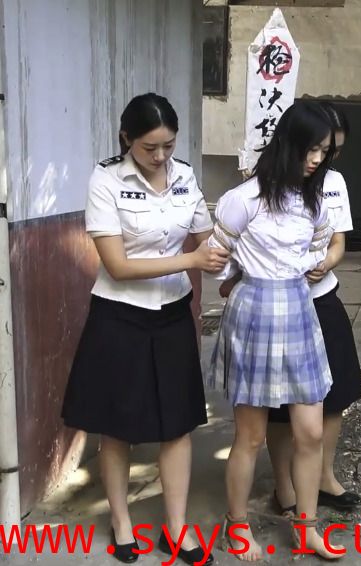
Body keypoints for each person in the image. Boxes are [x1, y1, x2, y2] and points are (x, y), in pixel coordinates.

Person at [62, 93, 228, 565]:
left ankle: (175, 530)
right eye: (149, 147)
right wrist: (192, 260)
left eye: (168, 146)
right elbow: (117, 266)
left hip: (172, 314)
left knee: (178, 425)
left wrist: (227, 250)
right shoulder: (106, 180)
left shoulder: (185, 176)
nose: (160, 156)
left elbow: (207, 238)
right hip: (119, 317)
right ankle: (121, 523)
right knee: (118, 427)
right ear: (126, 139)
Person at [208, 100, 344, 561]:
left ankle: (306, 528)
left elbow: (323, 243)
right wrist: (234, 275)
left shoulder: (312, 199)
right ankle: (237, 525)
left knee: (310, 432)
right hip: (254, 314)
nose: (317, 160)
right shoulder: (243, 199)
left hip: (299, 311)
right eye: (310, 149)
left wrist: (313, 264)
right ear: (287, 143)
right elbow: (216, 257)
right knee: (249, 436)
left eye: (324, 152)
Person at [265, 102, 361, 516]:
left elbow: (339, 240)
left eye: (329, 151)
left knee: (335, 394)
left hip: (322, 299)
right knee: (278, 405)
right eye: (319, 148)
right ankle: (284, 486)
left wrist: (326, 262)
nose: (322, 158)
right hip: (279, 306)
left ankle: (324, 475)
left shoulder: (334, 182)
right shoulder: (265, 183)